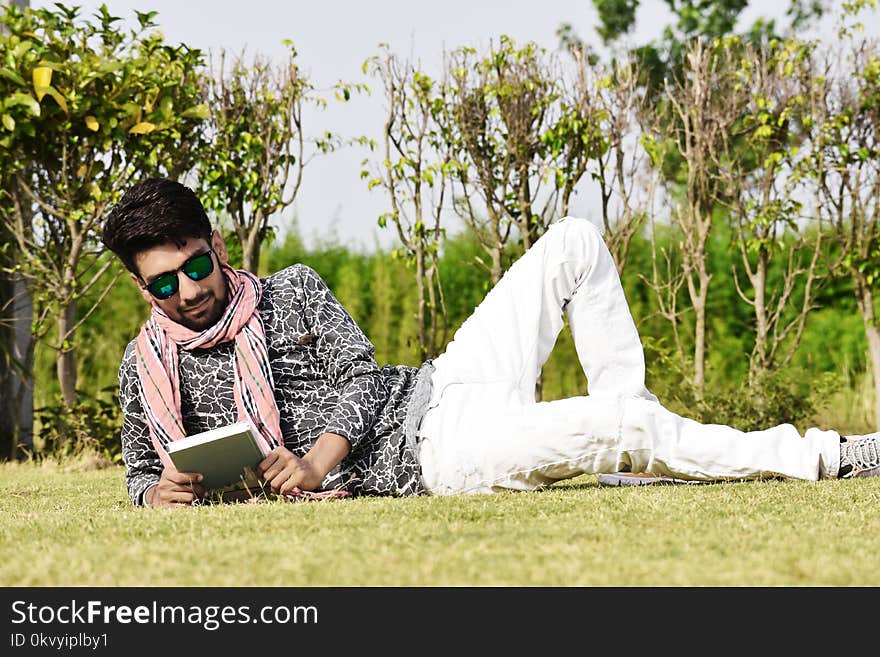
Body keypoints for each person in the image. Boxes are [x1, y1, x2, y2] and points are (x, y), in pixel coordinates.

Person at [101, 178, 880, 508]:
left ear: (216, 245)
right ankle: (828, 455)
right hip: (435, 459)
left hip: (441, 385)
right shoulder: (147, 373)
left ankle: (636, 449)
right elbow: (142, 468)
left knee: (575, 239)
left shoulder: (292, 288)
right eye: (165, 282)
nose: (190, 290)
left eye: (195, 266)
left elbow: (362, 378)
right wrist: (155, 494)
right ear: (144, 288)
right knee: (624, 428)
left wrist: (314, 460)